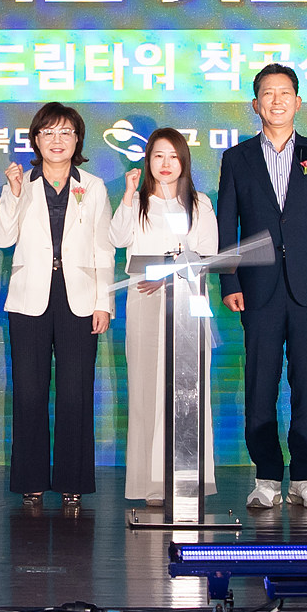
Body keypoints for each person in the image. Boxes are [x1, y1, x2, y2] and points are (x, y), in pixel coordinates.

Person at [217, 63, 307, 510]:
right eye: (267, 93)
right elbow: (226, 224)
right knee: (260, 382)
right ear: (255, 104)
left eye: (284, 93)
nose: (276, 101)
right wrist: (229, 279)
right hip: (257, 285)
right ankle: (266, 477)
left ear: (298, 102)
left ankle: (306, 478)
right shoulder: (236, 158)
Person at [0, 103, 111, 507]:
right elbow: (2, 238)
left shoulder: (93, 186)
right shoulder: (20, 182)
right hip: (29, 297)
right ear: (36, 140)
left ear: (77, 140)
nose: (57, 140)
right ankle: (31, 478)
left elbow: (103, 248)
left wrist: (103, 302)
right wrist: (13, 195)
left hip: (80, 296)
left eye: (65, 133)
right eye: (48, 133)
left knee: (76, 392)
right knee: (29, 391)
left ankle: (73, 479)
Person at [109, 128, 219, 504]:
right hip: (145, 301)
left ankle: (187, 478)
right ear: (148, 161)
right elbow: (118, 239)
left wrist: (168, 275)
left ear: (184, 160)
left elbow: (208, 254)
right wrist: (128, 194)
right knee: (147, 390)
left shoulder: (199, 203)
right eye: (158, 156)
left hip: (188, 301)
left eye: (173, 156)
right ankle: (151, 482)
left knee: (188, 391)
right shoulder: (137, 202)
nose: (166, 163)